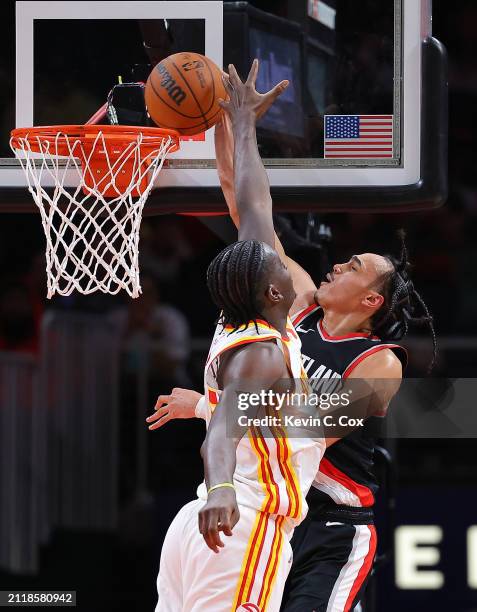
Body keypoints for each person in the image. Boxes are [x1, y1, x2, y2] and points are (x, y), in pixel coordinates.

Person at [148, 64, 437, 611]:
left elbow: (313, 429)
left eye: (352, 266)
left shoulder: (382, 363)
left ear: (371, 301)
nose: (332, 267)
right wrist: (228, 124)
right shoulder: (286, 313)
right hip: (264, 503)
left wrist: (207, 407)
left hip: (331, 522)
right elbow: (248, 207)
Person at [153, 60, 326, 612]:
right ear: (275, 294)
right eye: (279, 269)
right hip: (239, 520)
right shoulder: (261, 349)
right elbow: (226, 427)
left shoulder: (241, 311)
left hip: (203, 521)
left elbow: (251, 205)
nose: (284, 261)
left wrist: (242, 122)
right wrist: (223, 486)